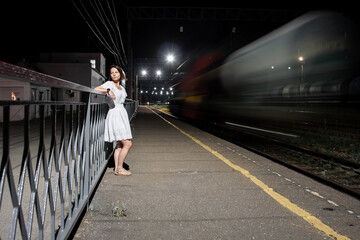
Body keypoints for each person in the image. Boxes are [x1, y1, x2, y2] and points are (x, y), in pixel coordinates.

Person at [95, 65, 132, 176]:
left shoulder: (122, 88)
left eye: (116, 72)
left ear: (120, 73)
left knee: (120, 144)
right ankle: (120, 168)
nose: (114, 74)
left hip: (122, 114)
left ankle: (117, 169)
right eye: (112, 73)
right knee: (128, 143)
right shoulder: (109, 84)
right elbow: (95, 89)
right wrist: (107, 91)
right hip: (115, 114)